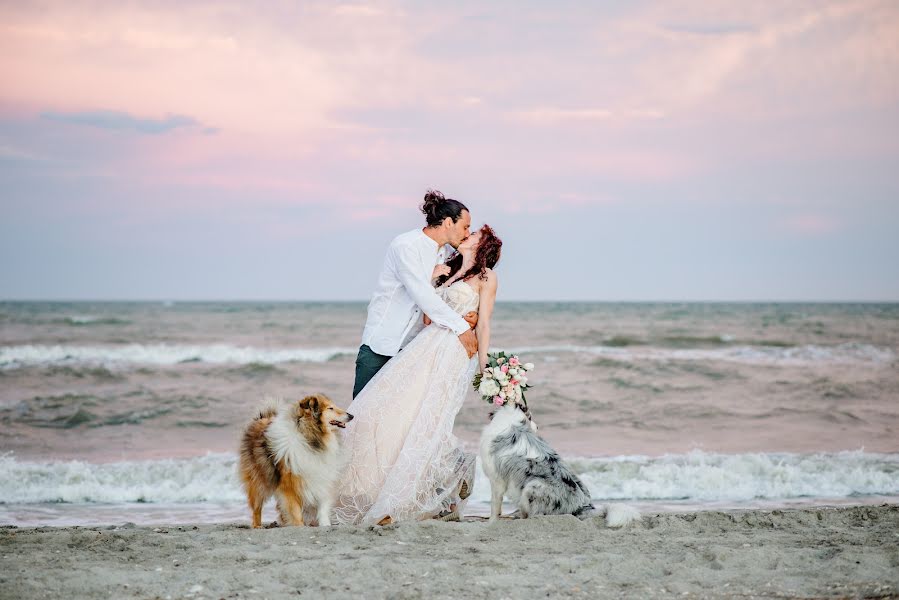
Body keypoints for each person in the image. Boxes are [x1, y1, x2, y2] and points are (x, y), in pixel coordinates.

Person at [334, 210, 502, 526]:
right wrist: (436, 279)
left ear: (484, 246)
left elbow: (485, 324)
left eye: (474, 233)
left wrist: (484, 366)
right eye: (467, 228)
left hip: (454, 351)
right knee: (398, 413)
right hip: (424, 347)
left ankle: (437, 481)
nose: (468, 234)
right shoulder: (444, 267)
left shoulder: (486, 277)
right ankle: (442, 473)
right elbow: (427, 314)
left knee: (429, 415)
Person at [352, 190, 479, 399]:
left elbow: (443, 294)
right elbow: (422, 294)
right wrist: (461, 328)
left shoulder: (447, 254)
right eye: (465, 226)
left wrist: (468, 313)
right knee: (359, 417)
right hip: (382, 345)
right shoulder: (407, 245)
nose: (467, 233)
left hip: (412, 350)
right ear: (448, 222)